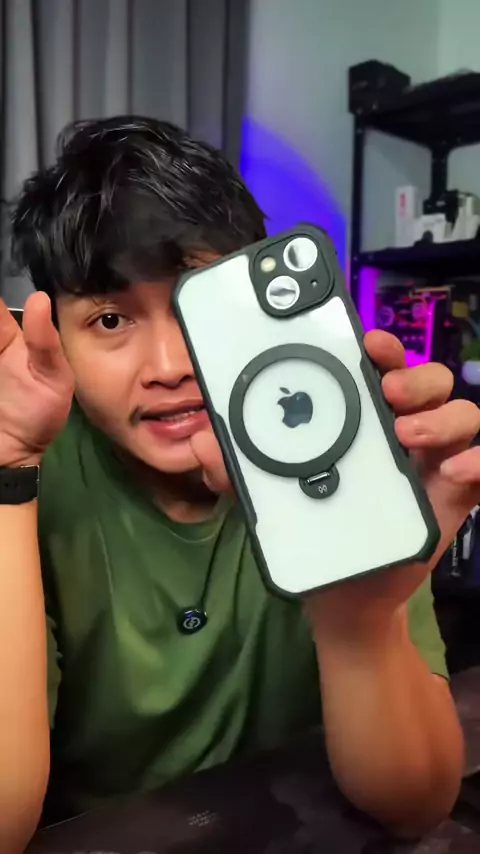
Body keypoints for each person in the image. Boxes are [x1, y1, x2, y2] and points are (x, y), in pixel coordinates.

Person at [1, 116, 479, 852]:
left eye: (197, 302)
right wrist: (9, 472)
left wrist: (360, 620)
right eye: (110, 318)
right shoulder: (36, 468)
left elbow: (414, 806)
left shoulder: (341, 449)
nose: (169, 365)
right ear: (56, 334)